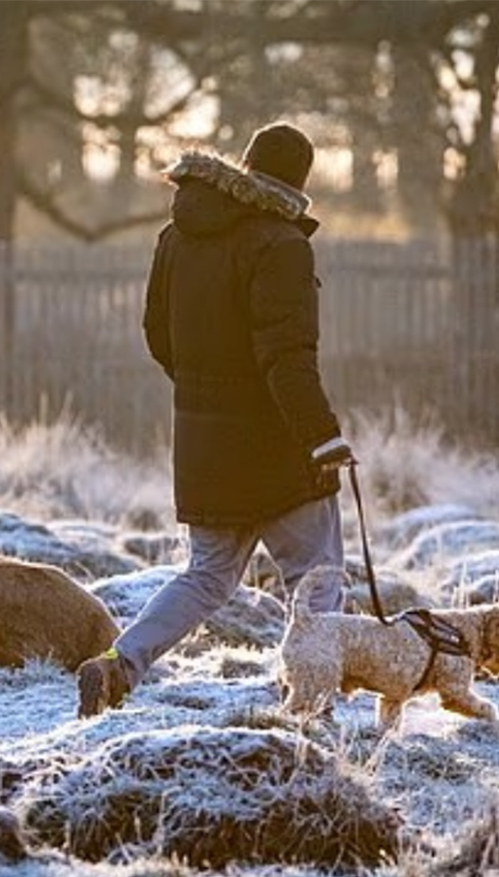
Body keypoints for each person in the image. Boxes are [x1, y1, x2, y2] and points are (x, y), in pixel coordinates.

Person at [77, 121, 354, 717]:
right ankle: (311, 702)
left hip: (203, 444)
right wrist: (322, 437)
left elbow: (157, 336)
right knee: (316, 574)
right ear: (300, 183)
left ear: (246, 165)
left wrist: (209, 400)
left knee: (207, 576)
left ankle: (118, 664)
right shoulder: (281, 244)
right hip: (277, 444)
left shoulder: (176, 236)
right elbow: (286, 358)